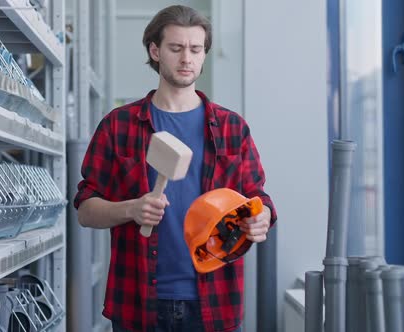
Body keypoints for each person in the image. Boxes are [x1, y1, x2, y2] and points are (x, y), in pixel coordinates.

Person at [74, 5, 277, 332]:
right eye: (176, 48)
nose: (187, 58)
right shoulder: (118, 125)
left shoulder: (232, 128)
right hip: (138, 302)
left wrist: (261, 217)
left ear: (204, 54)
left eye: (196, 49)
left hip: (215, 302)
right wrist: (131, 209)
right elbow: (85, 210)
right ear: (155, 51)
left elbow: (258, 197)